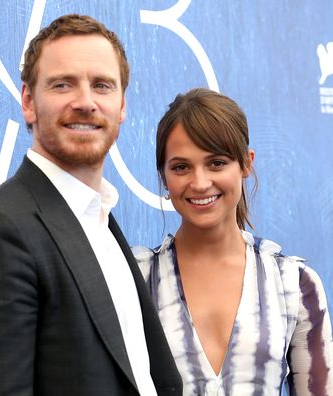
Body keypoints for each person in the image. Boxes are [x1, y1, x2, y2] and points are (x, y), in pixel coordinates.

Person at [0, 14, 182, 396]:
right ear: (28, 101)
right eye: (62, 85)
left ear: (121, 106)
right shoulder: (0, 232)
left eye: (102, 86)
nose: (86, 102)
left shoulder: (100, 219)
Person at [134, 87, 333, 395]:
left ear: (246, 163)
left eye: (216, 163)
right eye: (181, 167)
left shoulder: (294, 283)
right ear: (163, 175)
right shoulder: (134, 279)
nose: (200, 183)